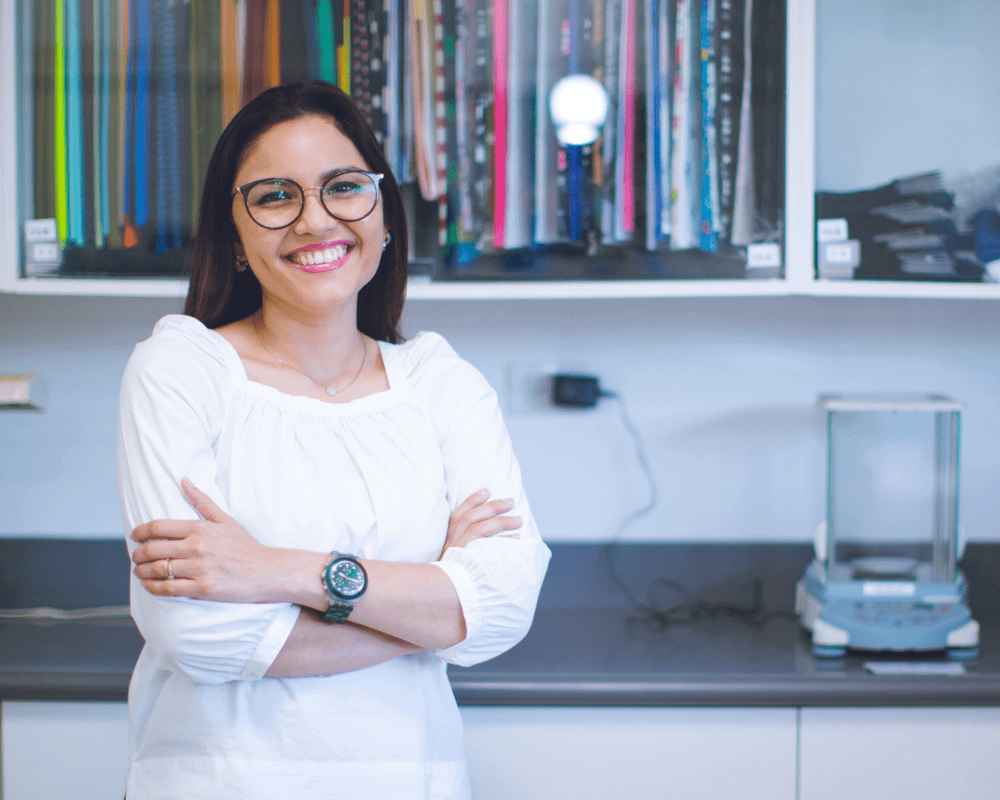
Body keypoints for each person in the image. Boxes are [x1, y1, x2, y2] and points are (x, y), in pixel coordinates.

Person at [116, 80, 552, 800]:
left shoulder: (440, 382)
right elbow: (195, 634)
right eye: (275, 196)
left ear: (382, 218)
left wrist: (279, 571)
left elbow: (503, 609)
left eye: (344, 187)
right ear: (233, 236)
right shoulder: (182, 369)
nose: (316, 221)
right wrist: (431, 608)